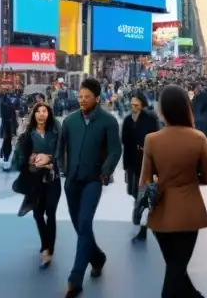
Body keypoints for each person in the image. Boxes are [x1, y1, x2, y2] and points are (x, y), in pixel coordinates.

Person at [140, 84, 207, 297]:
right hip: (190, 213)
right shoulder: (198, 138)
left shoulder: (152, 140)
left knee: (175, 267)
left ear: (162, 109)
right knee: (176, 269)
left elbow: (144, 181)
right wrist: (190, 179)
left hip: (160, 214)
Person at [57, 77, 123, 298]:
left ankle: (75, 279)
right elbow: (61, 147)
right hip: (71, 182)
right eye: (80, 96)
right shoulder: (69, 121)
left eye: (87, 97)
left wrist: (105, 170)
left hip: (94, 180)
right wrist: (61, 168)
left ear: (97, 98)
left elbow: (115, 150)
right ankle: (97, 257)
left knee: (84, 222)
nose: (82, 100)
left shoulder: (108, 121)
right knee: (80, 226)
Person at [14, 101, 61, 268]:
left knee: (51, 212)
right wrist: (31, 160)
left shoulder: (54, 132)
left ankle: (50, 249)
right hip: (34, 181)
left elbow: (60, 153)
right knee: (38, 214)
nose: (42, 114)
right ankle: (45, 244)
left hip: (52, 179)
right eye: (38, 111)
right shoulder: (27, 135)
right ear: (34, 114)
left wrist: (50, 160)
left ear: (49, 114)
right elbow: (19, 160)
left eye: (45, 111)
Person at [121, 92, 159, 242]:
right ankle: (144, 221)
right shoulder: (128, 120)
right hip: (131, 164)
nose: (133, 107)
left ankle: (143, 228)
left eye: (136, 104)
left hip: (146, 164)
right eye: (132, 104)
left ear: (142, 104)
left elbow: (156, 138)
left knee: (143, 196)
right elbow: (124, 140)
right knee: (135, 194)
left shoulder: (150, 118)